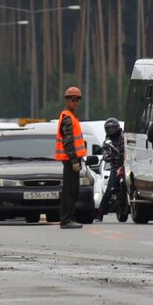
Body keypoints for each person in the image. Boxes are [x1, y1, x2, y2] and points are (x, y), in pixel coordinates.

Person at [54, 86, 87, 229]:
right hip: (70, 160)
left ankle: (69, 218)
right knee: (69, 191)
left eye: (77, 100)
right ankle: (66, 220)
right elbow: (68, 142)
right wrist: (74, 160)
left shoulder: (72, 117)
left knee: (73, 190)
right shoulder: (67, 118)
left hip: (72, 160)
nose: (76, 103)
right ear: (67, 101)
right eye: (73, 100)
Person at [95, 118, 125, 223]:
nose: (112, 130)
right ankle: (100, 213)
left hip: (127, 167)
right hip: (115, 168)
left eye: (113, 128)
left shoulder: (124, 138)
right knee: (110, 189)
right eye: (109, 128)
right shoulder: (107, 142)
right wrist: (107, 156)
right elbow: (105, 152)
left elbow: (131, 149)